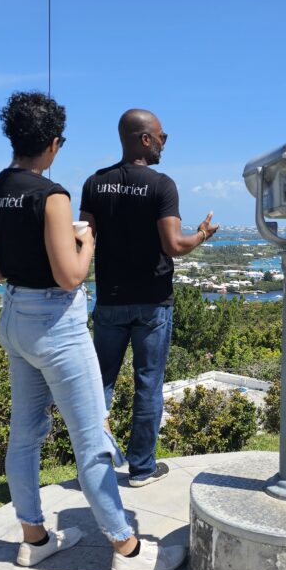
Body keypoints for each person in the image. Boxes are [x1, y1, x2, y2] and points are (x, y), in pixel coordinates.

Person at [0, 91, 186, 570]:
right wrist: (85, 242)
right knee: (91, 440)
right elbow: (71, 276)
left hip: (15, 319)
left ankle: (35, 538)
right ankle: (128, 548)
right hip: (56, 325)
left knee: (25, 436)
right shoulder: (51, 195)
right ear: (53, 142)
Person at [80, 108, 218, 486]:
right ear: (145, 139)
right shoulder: (161, 185)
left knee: (98, 385)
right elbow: (173, 245)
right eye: (161, 136)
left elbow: (84, 241)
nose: (164, 142)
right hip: (153, 302)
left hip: (109, 298)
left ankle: (95, 467)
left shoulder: (95, 183)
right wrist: (203, 234)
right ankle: (141, 469)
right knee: (148, 385)